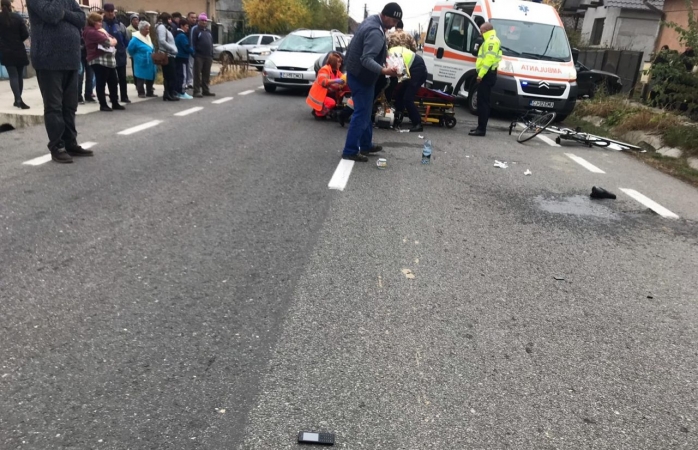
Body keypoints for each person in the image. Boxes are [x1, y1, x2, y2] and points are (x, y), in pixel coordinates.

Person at [26, 0, 91, 163]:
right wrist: (65, 14)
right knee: (54, 106)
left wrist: (65, 14)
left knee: (70, 105)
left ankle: (70, 143)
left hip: (71, 59)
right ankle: (57, 146)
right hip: (48, 59)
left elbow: (82, 18)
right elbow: (51, 14)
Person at [341, 2, 401, 162]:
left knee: (366, 111)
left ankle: (366, 145)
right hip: (362, 78)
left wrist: (387, 59)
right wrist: (384, 70)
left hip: (356, 74)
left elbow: (379, 49)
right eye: (394, 21)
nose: (395, 25)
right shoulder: (375, 30)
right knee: (361, 113)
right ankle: (350, 150)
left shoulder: (373, 21)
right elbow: (366, 59)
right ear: (386, 16)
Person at [84, 12, 124, 112]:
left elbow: (113, 38)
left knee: (113, 81)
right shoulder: (91, 32)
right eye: (99, 21)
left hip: (107, 60)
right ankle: (103, 104)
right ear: (93, 22)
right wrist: (112, 41)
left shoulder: (99, 30)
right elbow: (108, 41)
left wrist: (112, 41)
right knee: (101, 82)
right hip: (98, 59)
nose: (101, 23)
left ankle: (115, 102)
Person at [469, 21, 501, 137]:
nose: (480, 34)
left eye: (481, 31)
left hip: (487, 75)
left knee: (483, 103)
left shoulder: (491, 41)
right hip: (487, 74)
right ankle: (480, 127)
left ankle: (481, 129)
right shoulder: (489, 40)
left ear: (486, 30)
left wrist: (480, 75)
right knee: (482, 101)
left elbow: (488, 60)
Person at [389, 45, 428, 132]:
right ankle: (398, 119)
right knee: (399, 94)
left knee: (407, 98)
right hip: (413, 69)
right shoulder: (391, 51)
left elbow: (396, 75)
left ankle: (418, 124)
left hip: (417, 70)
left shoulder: (392, 55)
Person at [0, 0, 30, 109]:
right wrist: (18, 40)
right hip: (19, 50)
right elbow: (25, 34)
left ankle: (17, 99)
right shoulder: (18, 18)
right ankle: (18, 99)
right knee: (19, 75)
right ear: (10, 6)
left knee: (13, 76)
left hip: (6, 51)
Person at [102, 3, 131, 104]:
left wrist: (123, 49)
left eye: (112, 11)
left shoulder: (120, 24)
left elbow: (127, 38)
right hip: (107, 55)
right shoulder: (101, 24)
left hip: (120, 55)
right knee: (111, 79)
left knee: (122, 77)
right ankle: (113, 96)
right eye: (108, 11)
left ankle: (124, 96)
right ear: (104, 12)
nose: (110, 13)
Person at [307, 51, 346, 117]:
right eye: (338, 62)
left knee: (336, 101)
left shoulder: (336, 71)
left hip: (325, 94)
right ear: (334, 62)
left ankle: (324, 111)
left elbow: (343, 77)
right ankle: (318, 113)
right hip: (318, 95)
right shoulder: (324, 69)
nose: (340, 64)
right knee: (331, 103)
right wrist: (336, 81)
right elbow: (323, 82)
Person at [127, 20, 157, 98]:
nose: (148, 30)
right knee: (140, 75)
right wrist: (136, 56)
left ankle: (149, 91)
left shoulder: (147, 36)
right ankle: (141, 92)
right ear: (142, 29)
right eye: (146, 29)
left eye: (148, 29)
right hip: (141, 59)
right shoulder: (135, 39)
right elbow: (130, 49)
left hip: (150, 59)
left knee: (151, 75)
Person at [155, 12, 180, 101]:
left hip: (169, 54)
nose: (170, 21)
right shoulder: (161, 27)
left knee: (169, 75)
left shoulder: (165, 27)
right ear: (165, 19)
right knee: (171, 75)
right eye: (169, 19)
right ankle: (168, 93)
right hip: (167, 54)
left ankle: (168, 93)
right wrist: (173, 48)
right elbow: (162, 41)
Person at [192, 13, 215, 98]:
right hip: (199, 55)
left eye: (205, 20)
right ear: (199, 21)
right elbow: (192, 42)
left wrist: (211, 54)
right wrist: (194, 53)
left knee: (206, 74)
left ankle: (205, 90)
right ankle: (196, 91)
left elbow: (211, 43)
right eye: (202, 20)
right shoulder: (195, 30)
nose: (204, 22)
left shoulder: (208, 31)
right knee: (197, 74)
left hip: (208, 56)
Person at [175, 21, 195, 99]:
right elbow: (186, 47)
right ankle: (181, 91)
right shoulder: (182, 36)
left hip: (180, 57)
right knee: (182, 75)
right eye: (186, 26)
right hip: (182, 57)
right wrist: (192, 51)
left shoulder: (178, 34)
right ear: (181, 26)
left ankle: (178, 91)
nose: (187, 28)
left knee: (180, 74)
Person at [78, 36, 96, 103]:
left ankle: (88, 95)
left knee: (90, 77)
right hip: (81, 56)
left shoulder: (89, 30)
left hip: (89, 55)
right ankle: (79, 96)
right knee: (80, 77)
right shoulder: (79, 29)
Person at [185, 11, 197, 89]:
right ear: (188, 17)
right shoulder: (186, 26)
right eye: (192, 17)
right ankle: (189, 82)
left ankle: (192, 81)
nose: (194, 19)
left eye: (195, 17)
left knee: (193, 66)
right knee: (189, 66)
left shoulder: (196, 27)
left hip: (195, 49)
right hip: (187, 48)